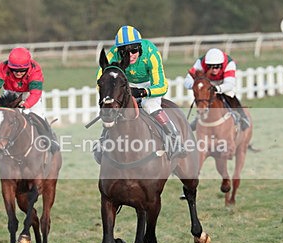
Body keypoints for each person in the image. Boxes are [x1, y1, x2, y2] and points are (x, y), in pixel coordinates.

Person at [95, 25, 182, 161]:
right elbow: (101, 81)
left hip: (149, 84)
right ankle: (103, 140)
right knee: (113, 108)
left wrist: (143, 92)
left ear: (140, 47)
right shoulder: (112, 55)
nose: (130, 55)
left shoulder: (151, 53)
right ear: (119, 50)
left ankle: (174, 137)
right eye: (125, 51)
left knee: (149, 105)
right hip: (125, 84)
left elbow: (162, 86)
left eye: (134, 50)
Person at [0, 46, 59, 160]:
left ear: (28, 66)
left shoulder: (35, 70)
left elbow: (35, 93)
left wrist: (26, 105)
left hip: (29, 94)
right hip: (11, 93)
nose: (18, 73)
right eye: (14, 70)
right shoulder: (3, 67)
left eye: (22, 70)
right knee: (1, 118)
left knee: (38, 116)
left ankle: (49, 140)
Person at [183, 47, 250, 130]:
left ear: (222, 64)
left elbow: (229, 84)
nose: (214, 70)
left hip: (224, 81)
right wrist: (196, 85)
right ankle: (198, 119)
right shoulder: (200, 63)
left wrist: (217, 88)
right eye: (210, 66)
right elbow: (187, 81)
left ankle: (243, 116)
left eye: (217, 66)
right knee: (202, 98)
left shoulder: (229, 63)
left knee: (230, 94)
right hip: (208, 82)